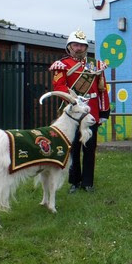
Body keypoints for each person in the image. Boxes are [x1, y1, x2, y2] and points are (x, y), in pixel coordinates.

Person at [49, 30, 110, 193]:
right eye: (76, 45)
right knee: (73, 149)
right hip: (73, 114)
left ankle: (88, 182)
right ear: (69, 47)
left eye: (82, 45)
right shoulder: (62, 65)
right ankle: (74, 182)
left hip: (92, 113)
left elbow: (102, 90)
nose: (79, 48)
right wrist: (75, 100)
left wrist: (104, 113)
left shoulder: (94, 65)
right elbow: (59, 87)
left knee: (90, 149)